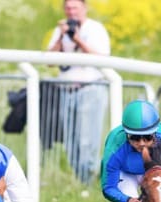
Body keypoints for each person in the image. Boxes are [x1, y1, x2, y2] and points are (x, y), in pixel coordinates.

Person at [46, 0, 110, 184]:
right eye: (68, 8)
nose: (71, 12)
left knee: (87, 140)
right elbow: (50, 60)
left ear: (84, 8)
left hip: (90, 89)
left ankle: (89, 182)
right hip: (66, 90)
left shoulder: (96, 29)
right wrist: (61, 36)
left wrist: (78, 40)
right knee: (71, 141)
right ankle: (81, 180)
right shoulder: (60, 31)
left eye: (75, 8)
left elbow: (103, 58)